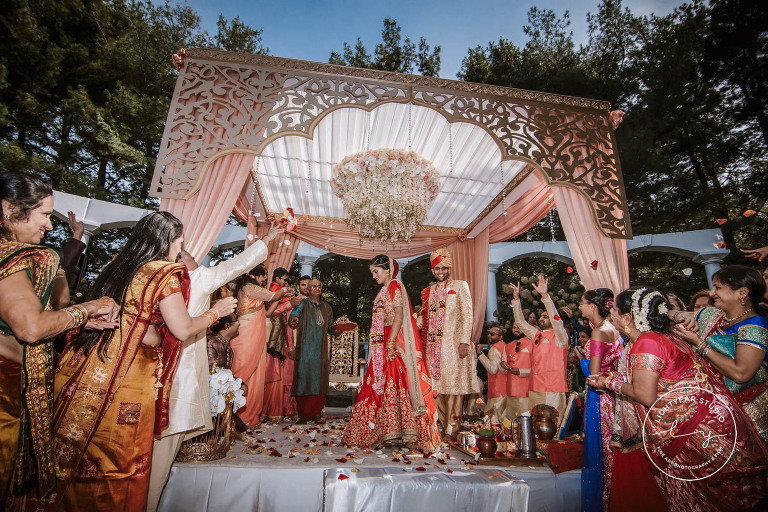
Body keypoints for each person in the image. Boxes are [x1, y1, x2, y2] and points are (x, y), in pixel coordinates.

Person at [48, 211, 237, 511]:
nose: (180, 250)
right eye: (180, 242)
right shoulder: (163, 273)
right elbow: (183, 328)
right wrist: (217, 312)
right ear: (169, 241)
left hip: (96, 365)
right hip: (132, 375)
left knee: (90, 450)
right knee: (122, 456)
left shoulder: (119, 267)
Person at [589, 287, 768, 512]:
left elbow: (645, 395)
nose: (611, 316)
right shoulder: (668, 336)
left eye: (614, 311)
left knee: (710, 500)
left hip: (696, 431)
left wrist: (608, 382)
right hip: (712, 420)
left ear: (627, 318)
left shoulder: (647, 342)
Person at [0, 172, 119, 508]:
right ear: (9, 210)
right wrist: (89, 308)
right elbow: (31, 329)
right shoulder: (12, 261)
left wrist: (75, 322)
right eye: (43, 214)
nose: (49, 226)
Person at [145, 222, 282, 512]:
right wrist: (215, 313)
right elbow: (238, 264)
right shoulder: (194, 279)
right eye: (185, 250)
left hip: (148, 374)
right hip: (179, 377)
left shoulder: (147, 276)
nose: (193, 257)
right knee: (160, 455)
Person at [343, 255, 440, 450]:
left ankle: (405, 432)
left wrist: (391, 342)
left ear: (387, 270)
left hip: (392, 341)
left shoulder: (395, 285)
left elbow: (399, 315)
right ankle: (387, 431)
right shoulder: (384, 290)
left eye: (376, 271)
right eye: (372, 273)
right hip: (383, 341)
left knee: (394, 382)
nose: (373, 276)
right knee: (381, 384)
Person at [673, 265, 768, 441]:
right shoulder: (713, 315)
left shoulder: (755, 325)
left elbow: (741, 374)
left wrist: (699, 344)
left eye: (718, 287)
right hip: (713, 409)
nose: (712, 293)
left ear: (742, 292)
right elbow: (670, 313)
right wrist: (679, 316)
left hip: (747, 414)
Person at [419, 248, 479, 440]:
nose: (441, 272)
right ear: (432, 270)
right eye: (437, 268)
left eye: (444, 268)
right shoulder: (429, 291)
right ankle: (437, 426)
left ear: (449, 269)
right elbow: (424, 320)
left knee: (453, 388)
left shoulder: (460, 286)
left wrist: (464, 341)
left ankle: (451, 429)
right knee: (436, 388)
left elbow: (467, 315)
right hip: (432, 349)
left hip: (453, 347)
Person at [578, 289, 622, 512]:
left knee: (599, 451)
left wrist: (581, 360)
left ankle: (602, 502)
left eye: (582, 303)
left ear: (593, 306)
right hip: (612, 395)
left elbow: (594, 374)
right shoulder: (612, 328)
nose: (580, 306)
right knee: (608, 449)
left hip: (599, 397)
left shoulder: (598, 332)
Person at [230, 265, 290, 428]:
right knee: (244, 368)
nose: (265, 279)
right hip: (246, 335)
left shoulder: (254, 291)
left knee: (256, 370)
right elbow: (273, 295)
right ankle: (236, 414)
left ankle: (249, 415)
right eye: (264, 275)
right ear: (254, 276)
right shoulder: (249, 288)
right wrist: (285, 290)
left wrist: (281, 298)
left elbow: (268, 313)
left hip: (255, 335)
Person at [509, 276, 569, 415]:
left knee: (552, 423)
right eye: (541, 316)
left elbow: (557, 322)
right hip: (535, 387)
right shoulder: (536, 335)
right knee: (535, 422)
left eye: (545, 316)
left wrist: (545, 297)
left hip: (553, 389)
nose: (541, 319)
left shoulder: (560, 337)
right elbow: (521, 323)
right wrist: (516, 300)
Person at [289, 279, 334, 423]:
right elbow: (293, 316)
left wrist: (338, 330)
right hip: (305, 349)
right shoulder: (303, 304)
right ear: (308, 289)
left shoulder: (327, 307)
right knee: (303, 378)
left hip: (320, 351)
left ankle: (317, 414)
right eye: (313, 286)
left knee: (319, 380)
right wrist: (293, 319)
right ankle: (303, 415)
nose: (317, 289)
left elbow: (330, 328)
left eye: (319, 286)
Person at [263, 267, 296, 423]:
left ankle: (276, 410)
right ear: (276, 278)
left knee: (278, 374)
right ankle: (268, 410)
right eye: (284, 279)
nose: (286, 283)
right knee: (272, 373)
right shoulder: (272, 291)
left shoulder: (281, 291)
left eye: (287, 280)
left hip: (279, 336)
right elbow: (271, 312)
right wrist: (289, 304)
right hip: (271, 336)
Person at [283, 275, 311, 420]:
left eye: (308, 285)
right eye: (303, 284)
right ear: (298, 287)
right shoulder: (294, 302)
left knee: (305, 378)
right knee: (290, 378)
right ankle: (289, 409)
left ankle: (303, 410)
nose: (306, 287)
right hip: (294, 343)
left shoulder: (314, 303)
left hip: (308, 346)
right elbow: (289, 326)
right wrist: (290, 347)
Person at [477, 324, 509, 421]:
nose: (489, 336)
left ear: (500, 337)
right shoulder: (504, 346)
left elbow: (493, 369)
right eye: (489, 333)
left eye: (492, 334)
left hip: (497, 390)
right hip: (505, 389)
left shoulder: (494, 349)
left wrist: (480, 354)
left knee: (493, 421)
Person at [500, 324, 532, 419]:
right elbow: (503, 367)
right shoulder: (508, 346)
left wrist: (521, 371)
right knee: (510, 421)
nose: (516, 330)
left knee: (525, 420)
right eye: (514, 327)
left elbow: (538, 368)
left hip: (526, 391)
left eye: (519, 327)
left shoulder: (532, 344)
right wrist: (502, 364)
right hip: (510, 390)